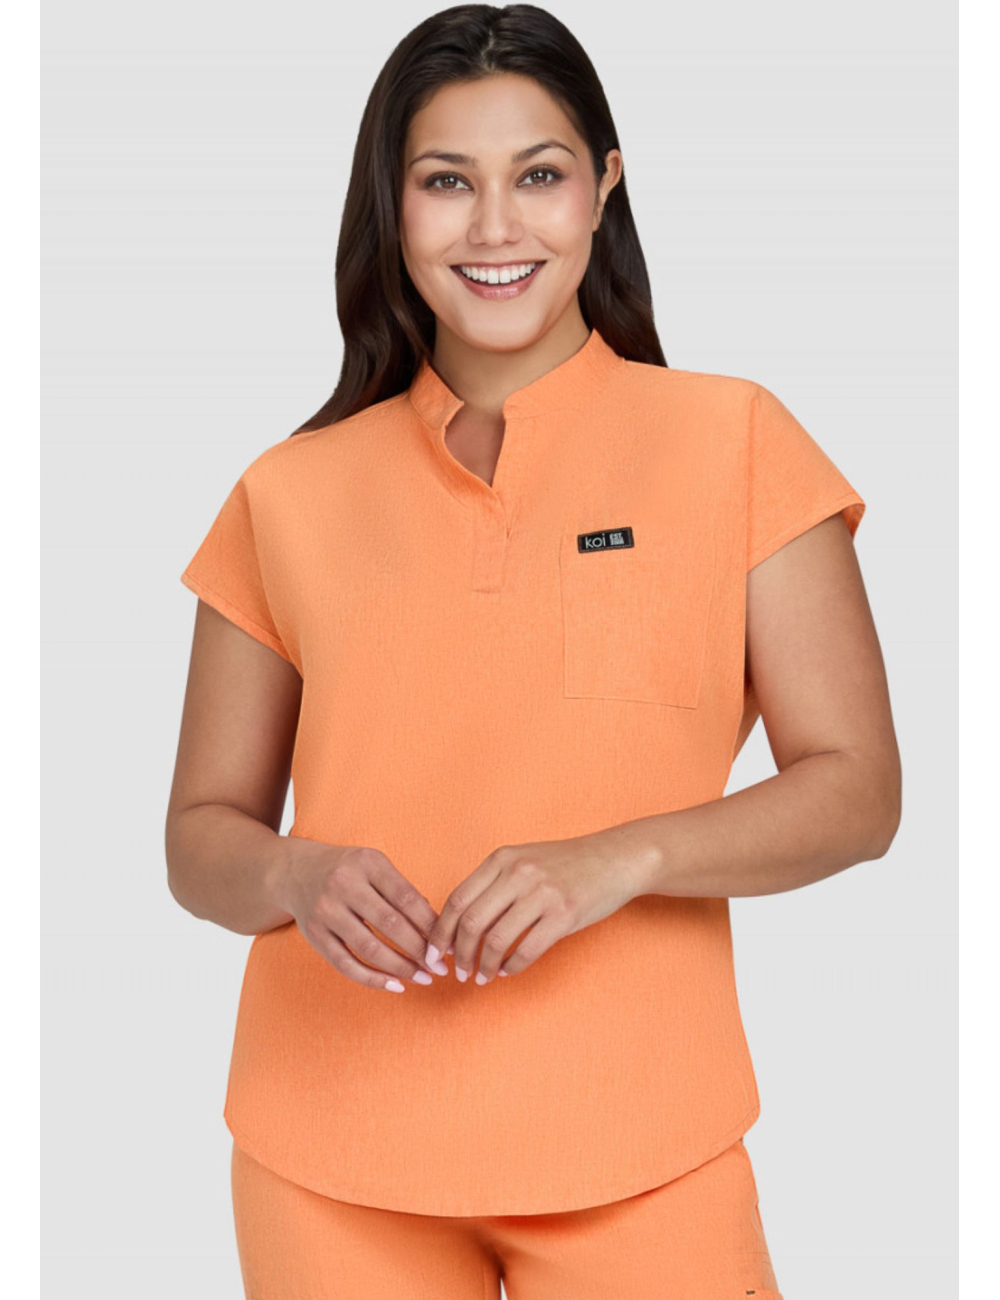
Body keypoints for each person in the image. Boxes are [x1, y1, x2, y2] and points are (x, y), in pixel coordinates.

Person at [165, 5, 901, 1297]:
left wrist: (622, 857)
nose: (494, 227)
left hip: (645, 1135)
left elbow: (858, 790)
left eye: (539, 175)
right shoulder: (287, 491)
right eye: (447, 182)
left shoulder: (735, 443)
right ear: (392, 205)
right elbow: (198, 837)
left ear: (604, 188)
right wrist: (292, 873)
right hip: (327, 1146)